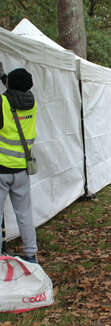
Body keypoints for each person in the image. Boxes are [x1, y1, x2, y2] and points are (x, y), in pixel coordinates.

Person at [0, 64, 38, 263]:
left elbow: (7, 99)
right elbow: (15, 90)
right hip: (22, 170)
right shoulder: (32, 102)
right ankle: (31, 254)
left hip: (1, 168)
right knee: (24, 214)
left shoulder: (3, 103)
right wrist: (4, 77)